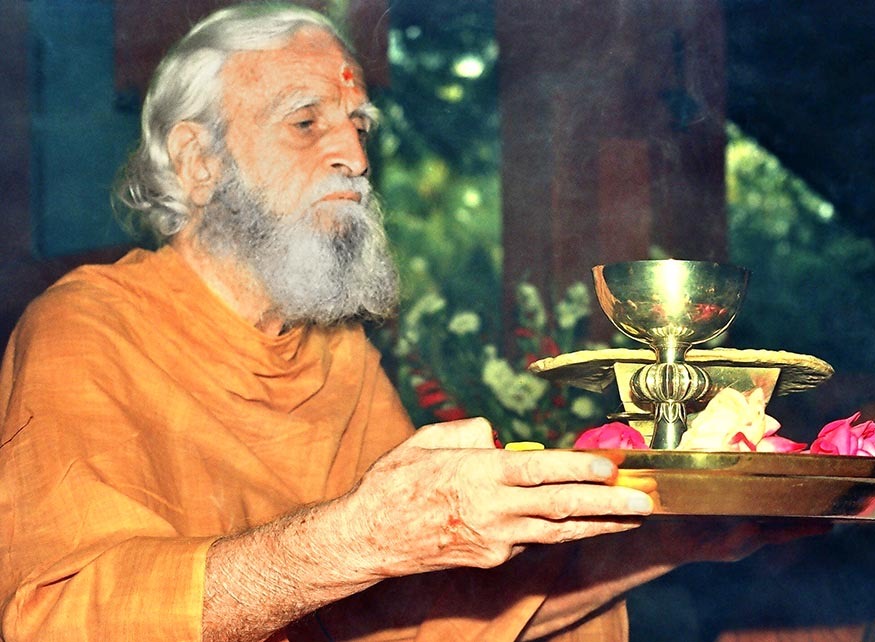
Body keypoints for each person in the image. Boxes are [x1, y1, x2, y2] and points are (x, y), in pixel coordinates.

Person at [0, 4, 791, 641]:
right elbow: (58, 618)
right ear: (198, 160)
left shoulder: (336, 351)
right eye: (305, 123)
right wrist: (356, 538)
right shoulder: (85, 331)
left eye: (359, 125)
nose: (354, 155)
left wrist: (676, 541)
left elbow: (419, 618)